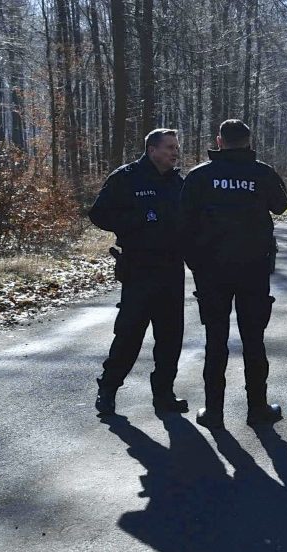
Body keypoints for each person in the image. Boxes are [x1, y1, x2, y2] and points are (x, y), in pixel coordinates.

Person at [180, 119, 287, 428]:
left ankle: (213, 412)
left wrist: (196, 264)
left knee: (216, 341)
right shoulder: (262, 172)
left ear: (219, 141)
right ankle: (258, 410)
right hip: (253, 270)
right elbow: (281, 205)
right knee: (254, 340)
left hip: (211, 272)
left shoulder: (200, 176)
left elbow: (183, 224)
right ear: (249, 141)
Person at [89, 129, 190, 416]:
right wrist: (135, 221)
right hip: (139, 267)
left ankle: (164, 396)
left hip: (171, 268)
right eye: (170, 147)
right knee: (130, 333)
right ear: (151, 149)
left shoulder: (177, 182)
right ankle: (108, 389)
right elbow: (98, 214)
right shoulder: (126, 177)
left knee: (171, 337)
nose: (175, 152)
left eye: (176, 147)